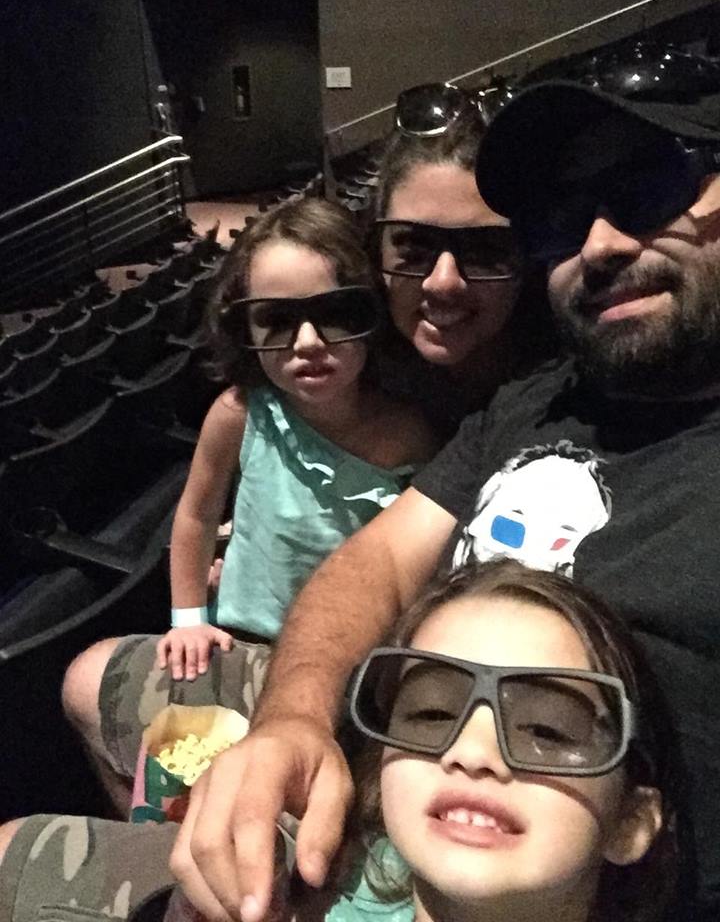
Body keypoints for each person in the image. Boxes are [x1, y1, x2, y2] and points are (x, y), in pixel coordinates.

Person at [161, 62, 720, 922]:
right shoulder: (541, 398)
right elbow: (381, 561)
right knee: (85, 696)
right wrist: (295, 719)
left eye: (649, 189)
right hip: (368, 760)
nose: (602, 243)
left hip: (468, 873)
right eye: (561, 219)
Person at [0, 559, 678, 922]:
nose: (472, 752)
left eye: (548, 730)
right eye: (430, 715)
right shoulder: (320, 892)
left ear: (631, 820)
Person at [62, 197, 434, 812]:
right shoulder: (240, 412)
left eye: (336, 314)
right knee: (178, 791)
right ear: (245, 330)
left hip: (349, 663)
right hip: (236, 640)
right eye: (277, 321)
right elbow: (195, 514)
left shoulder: (411, 434)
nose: (308, 342)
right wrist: (188, 617)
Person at [371, 82, 554, 440]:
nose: (443, 282)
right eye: (414, 246)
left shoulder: (571, 391)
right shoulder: (345, 373)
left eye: (485, 250)